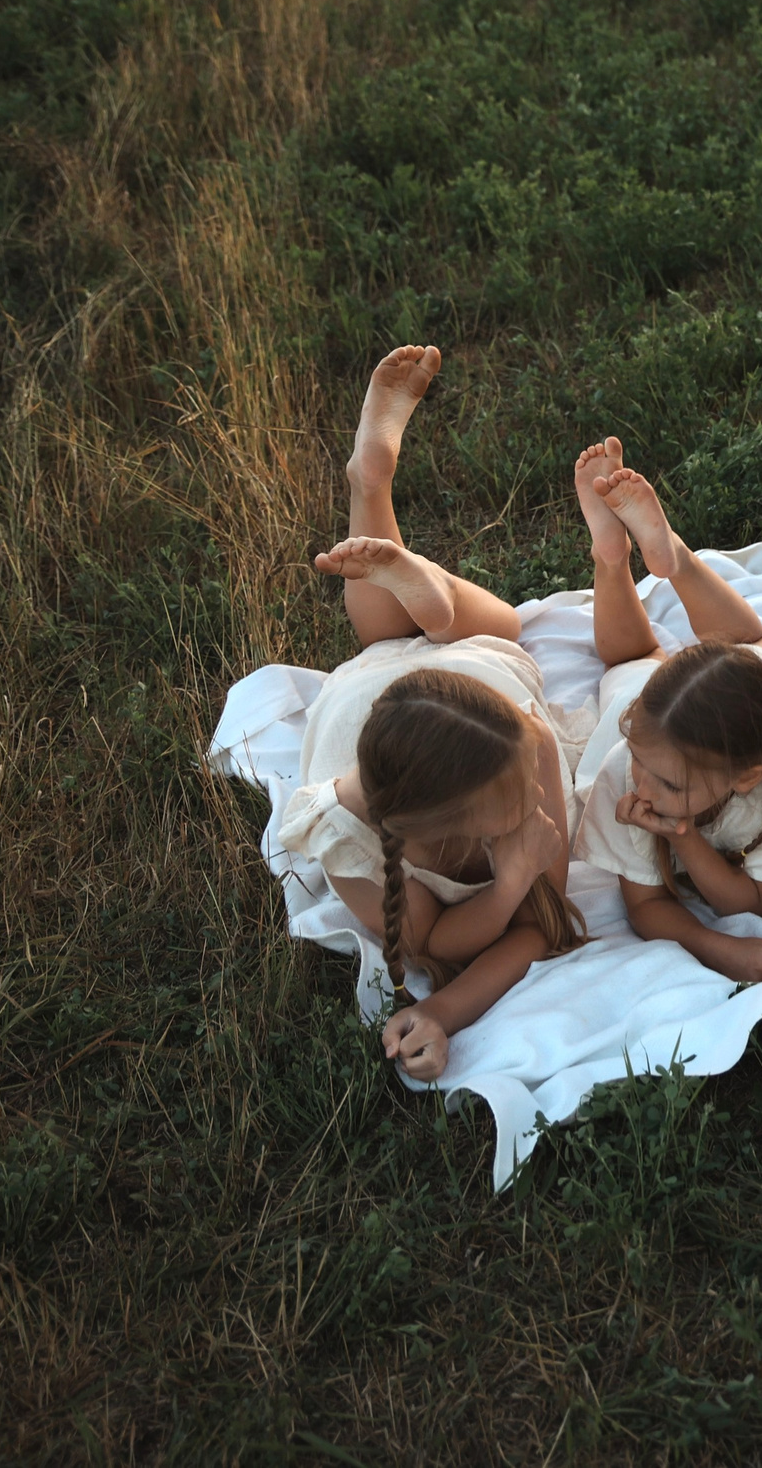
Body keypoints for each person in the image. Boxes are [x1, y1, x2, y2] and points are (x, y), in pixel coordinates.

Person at [279, 345, 583, 1083]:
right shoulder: (356, 849)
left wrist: (518, 879)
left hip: (460, 677)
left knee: (494, 630)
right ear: (436, 832)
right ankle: (381, 505)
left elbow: (541, 927)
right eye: (507, 807)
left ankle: (386, 514)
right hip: (367, 703)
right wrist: (507, 888)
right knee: (395, 638)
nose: (536, 808)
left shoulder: (526, 739)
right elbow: (441, 944)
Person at [568, 437, 762, 983]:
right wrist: (716, 949)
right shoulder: (628, 767)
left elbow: (748, 902)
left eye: (669, 785)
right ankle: (648, 560)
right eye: (642, 765)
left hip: (753, 697)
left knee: (737, 649)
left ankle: (629, 558)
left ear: (746, 777)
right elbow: (644, 907)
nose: (644, 788)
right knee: (655, 661)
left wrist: (682, 836)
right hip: (680, 705)